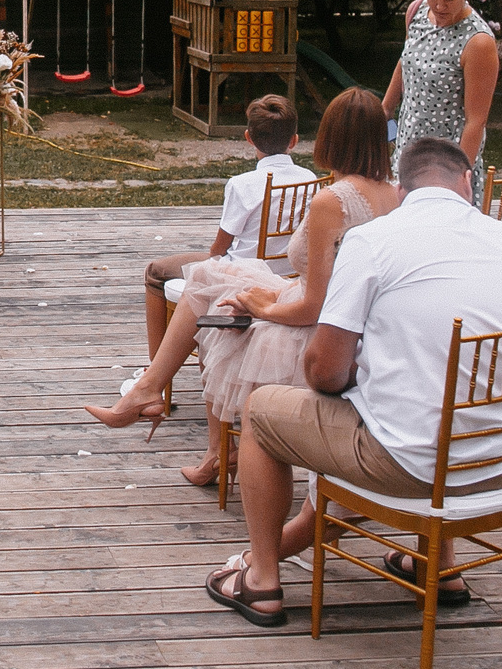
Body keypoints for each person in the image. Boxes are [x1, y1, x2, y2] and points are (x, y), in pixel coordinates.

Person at [204, 138, 502, 627]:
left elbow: (324, 372)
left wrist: (351, 377)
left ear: (401, 190)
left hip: (412, 466)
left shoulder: (373, 241)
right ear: (467, 184)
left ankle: (262, 579)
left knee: (264, 410)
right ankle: (439, 565)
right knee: (434, 393)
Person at [88, 88, 400, 491]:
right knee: (207, 279)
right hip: (355, 323)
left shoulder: (332, 201)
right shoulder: (396, 195)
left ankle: (188, 427)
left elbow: (315, 307)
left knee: (225, 314)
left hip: (322, 331)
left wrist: (264, 308)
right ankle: (159, 398)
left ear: (330, 138)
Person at [133, 94, 312, 366]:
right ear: (295, 140)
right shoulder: (310, 179)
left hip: (242, 274)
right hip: (291, 275)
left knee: (155, 272)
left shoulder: (243, 184)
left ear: (248, 138)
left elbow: (219, 249)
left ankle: (155, 368)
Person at [383, 0, 498, 198]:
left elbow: (476, 122)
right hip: (407, 151)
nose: (439, 5)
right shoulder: (416, 12)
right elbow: (407, 60)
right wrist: (386, 109)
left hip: (446, 162)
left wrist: (455, 182)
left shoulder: (478, 42)